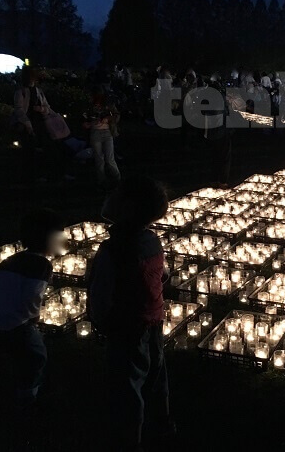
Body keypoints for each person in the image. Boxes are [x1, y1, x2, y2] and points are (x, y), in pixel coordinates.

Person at [87, 176, 172, 450]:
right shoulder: (151, 240)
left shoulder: (113, 250)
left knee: (127, 384)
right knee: (156, 375)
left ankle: (129, 437)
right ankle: (161, 424)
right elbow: (161, 276)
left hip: (125, 327)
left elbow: (101, 291)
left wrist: (100, 320)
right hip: (154, 321)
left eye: (115, 194)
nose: (109, 197)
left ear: (126, 208)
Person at [0, 209, 65, 410]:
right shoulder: (42, 265)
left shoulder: (12, 260)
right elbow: (33, 296)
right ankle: (28, 396)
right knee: (37, 356)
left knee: (14, 353)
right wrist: (34, 317)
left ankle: (8, 376)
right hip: (14, 323)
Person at [85, 87, 121, 190]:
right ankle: (102, 181)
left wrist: (108, 119)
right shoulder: (90, 106)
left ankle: (117, 179)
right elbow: (84, 121)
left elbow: (116, 115)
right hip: (95, 132)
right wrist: (91, 123)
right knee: (99, 158)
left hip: (107, 132)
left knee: (109, 158)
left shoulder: (108, 104)